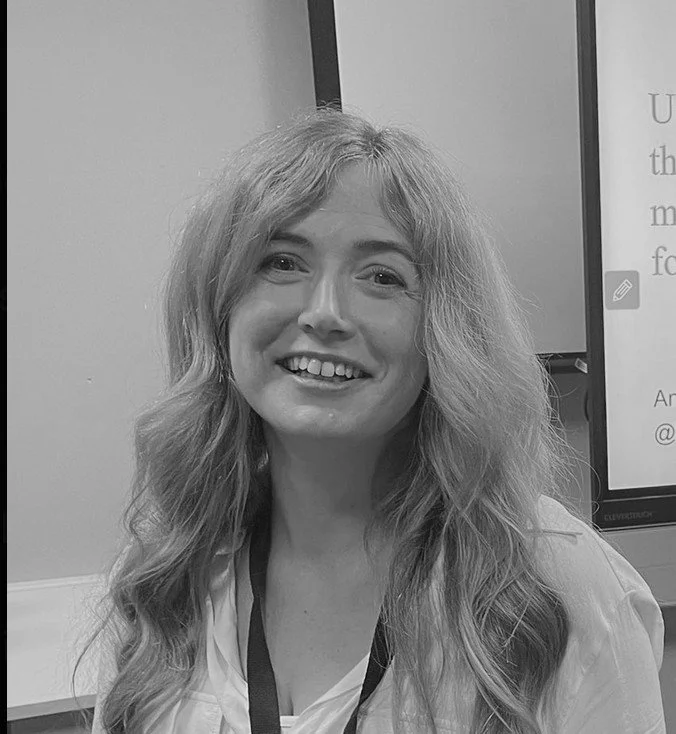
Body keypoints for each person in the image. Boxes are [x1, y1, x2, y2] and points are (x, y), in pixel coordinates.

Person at [82, 108, 665, 734]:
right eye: (282, 262)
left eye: (382, 276)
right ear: (218, 306)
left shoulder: (557, 589)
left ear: (444, 330)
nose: (325, 312)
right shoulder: (165, 573)